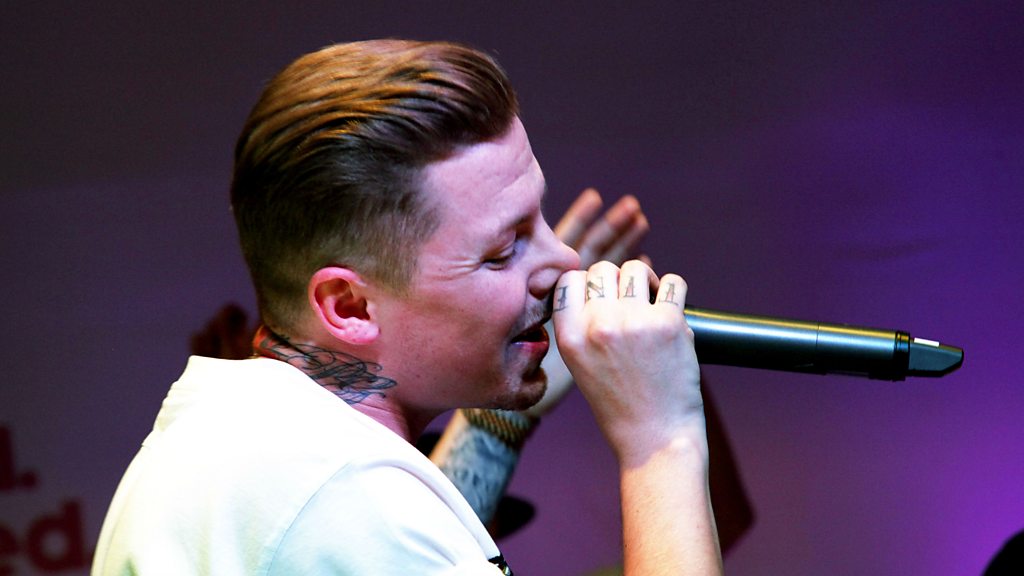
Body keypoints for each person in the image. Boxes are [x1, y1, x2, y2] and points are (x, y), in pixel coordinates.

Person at [92, 39, 722, 575]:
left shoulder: (264, 448)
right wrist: (661, 441)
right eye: (503, 250)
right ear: (350, 306)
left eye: (539, 221)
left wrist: (497, 424)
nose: (565, 262)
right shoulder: (342, 497)